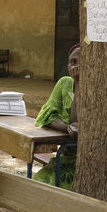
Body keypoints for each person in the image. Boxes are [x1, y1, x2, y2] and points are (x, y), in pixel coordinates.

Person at [33, 43, 81, 190]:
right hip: (67, 155)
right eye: (73, 62)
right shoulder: (65, 83)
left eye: (83, 62)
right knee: (38, 184)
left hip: (86, 160)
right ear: (67, 67)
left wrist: (80, 84)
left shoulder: (99, 88)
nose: (77, 66)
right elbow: (46, 116)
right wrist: (67, 128)